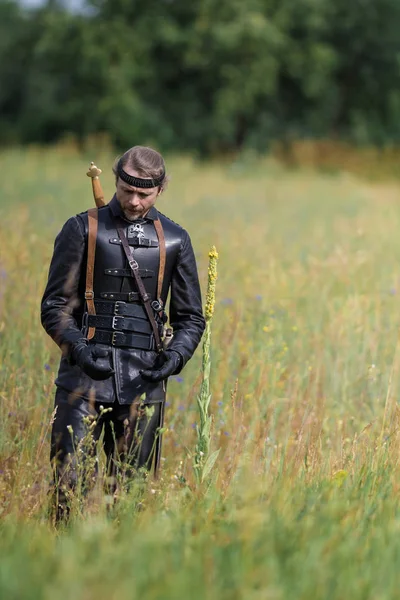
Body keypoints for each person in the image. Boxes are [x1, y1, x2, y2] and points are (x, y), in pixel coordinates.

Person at [41, 145, 205, 519]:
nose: (133, 201)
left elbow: (191, 318)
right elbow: (54, 306)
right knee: (68, 489)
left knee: (132, 497)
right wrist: (79, 350)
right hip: (81, 381)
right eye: (126, 190)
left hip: (144, 385)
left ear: (160, 190)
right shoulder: (81, 228)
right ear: (115, 180)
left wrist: (176, 358)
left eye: (143, 194)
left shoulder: (176, 240)